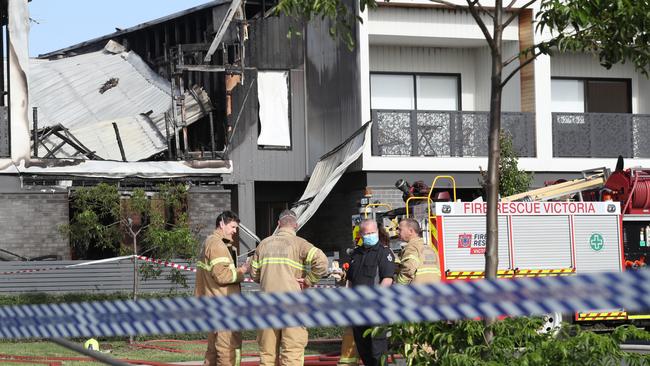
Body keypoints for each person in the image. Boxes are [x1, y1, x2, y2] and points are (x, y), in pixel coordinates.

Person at [250, 209, 329, 366]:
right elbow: (322, 262)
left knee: (267, 355)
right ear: (296, 226)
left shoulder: (263, 244)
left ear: (278, 224)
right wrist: (308, 281)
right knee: (292, 354)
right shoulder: (300, 243)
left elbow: (254, 275)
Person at [195, 210, 250, 366]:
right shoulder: (217, 245)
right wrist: (242, 271)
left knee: (213, 351)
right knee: (229, 350)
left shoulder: (212, 242)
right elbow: (222, 276)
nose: (235, 231)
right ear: (221, 224)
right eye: (233, 227)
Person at [346, 219, 395, 366]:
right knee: (364, 349)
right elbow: (350, 281)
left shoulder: (384, 253)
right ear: (361, 234)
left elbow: (387, 280)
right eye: (367, 233)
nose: (370, 235)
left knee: (377, 351)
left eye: (373, 232)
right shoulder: (356, 254)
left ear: (378, 232)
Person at [395, 218, 441, 285]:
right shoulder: (429, 248)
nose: (398, 232)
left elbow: (409, 268)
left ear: (410, 231)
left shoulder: (411, 247)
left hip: (417, 290)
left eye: (400, 229)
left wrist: (399, 283)